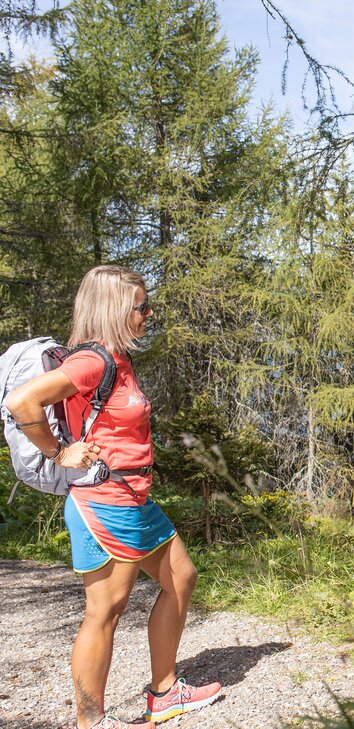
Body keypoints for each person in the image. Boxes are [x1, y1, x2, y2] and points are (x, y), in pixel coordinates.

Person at [3, 266, 221, 729]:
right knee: (105, 611)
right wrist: (59, 452)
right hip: (105, 501)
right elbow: (22, 402)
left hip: (133, 498)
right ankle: (91, 722)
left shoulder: (117, 359)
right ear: (115, 310)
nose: (149, 312)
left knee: (181, 577)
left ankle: (164, 693)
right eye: (141, 306)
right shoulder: (93, 362)